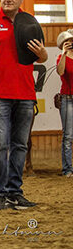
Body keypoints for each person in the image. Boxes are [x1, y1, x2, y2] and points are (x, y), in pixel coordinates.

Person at [0, 0, 46, 209]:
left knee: (20, 145)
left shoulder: (29, 21)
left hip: (26, 94)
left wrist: (44, 53)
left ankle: (15, 192)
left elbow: (42, 57)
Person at [55, 29, 73, 178]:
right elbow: (60, 72)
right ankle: (67, 169)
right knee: (68, 135)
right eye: (68, 42)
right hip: (67, 97)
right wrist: (64, 54)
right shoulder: (62, 57)